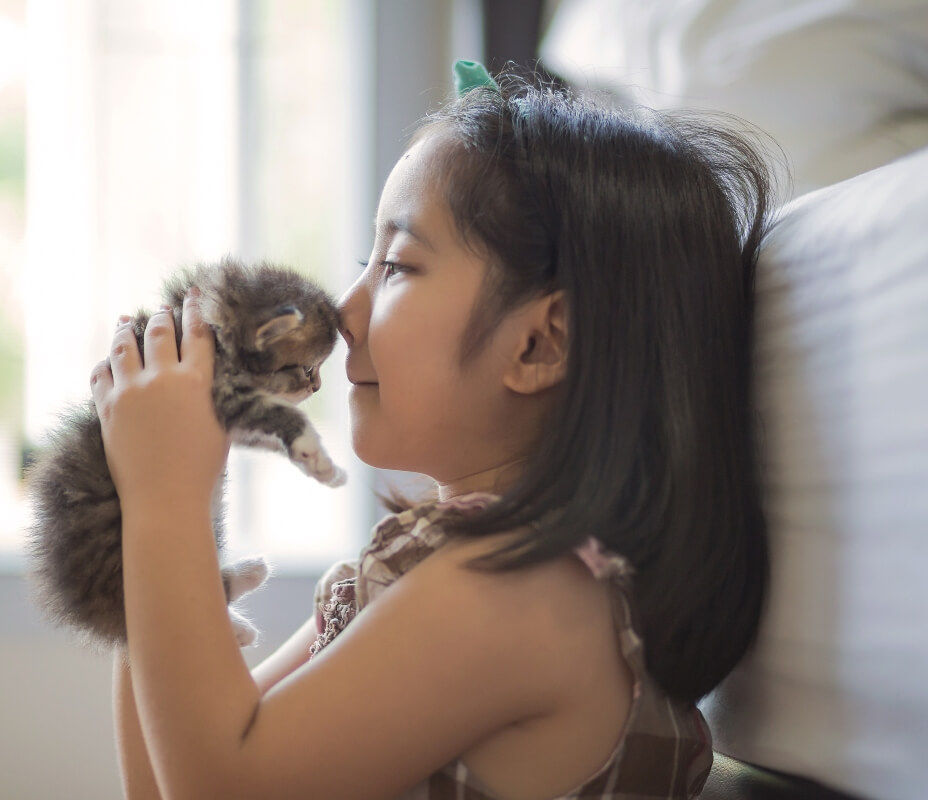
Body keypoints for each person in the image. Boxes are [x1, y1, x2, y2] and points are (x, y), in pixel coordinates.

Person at [89, 63, 775, 800]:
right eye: (363, 263)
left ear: (540, 344)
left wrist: (165, 499)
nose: (344, 313)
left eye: (398, 266)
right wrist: (139, 512)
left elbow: (218, 787)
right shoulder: (425, 572)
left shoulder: (525, 591)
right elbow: (167, 782)